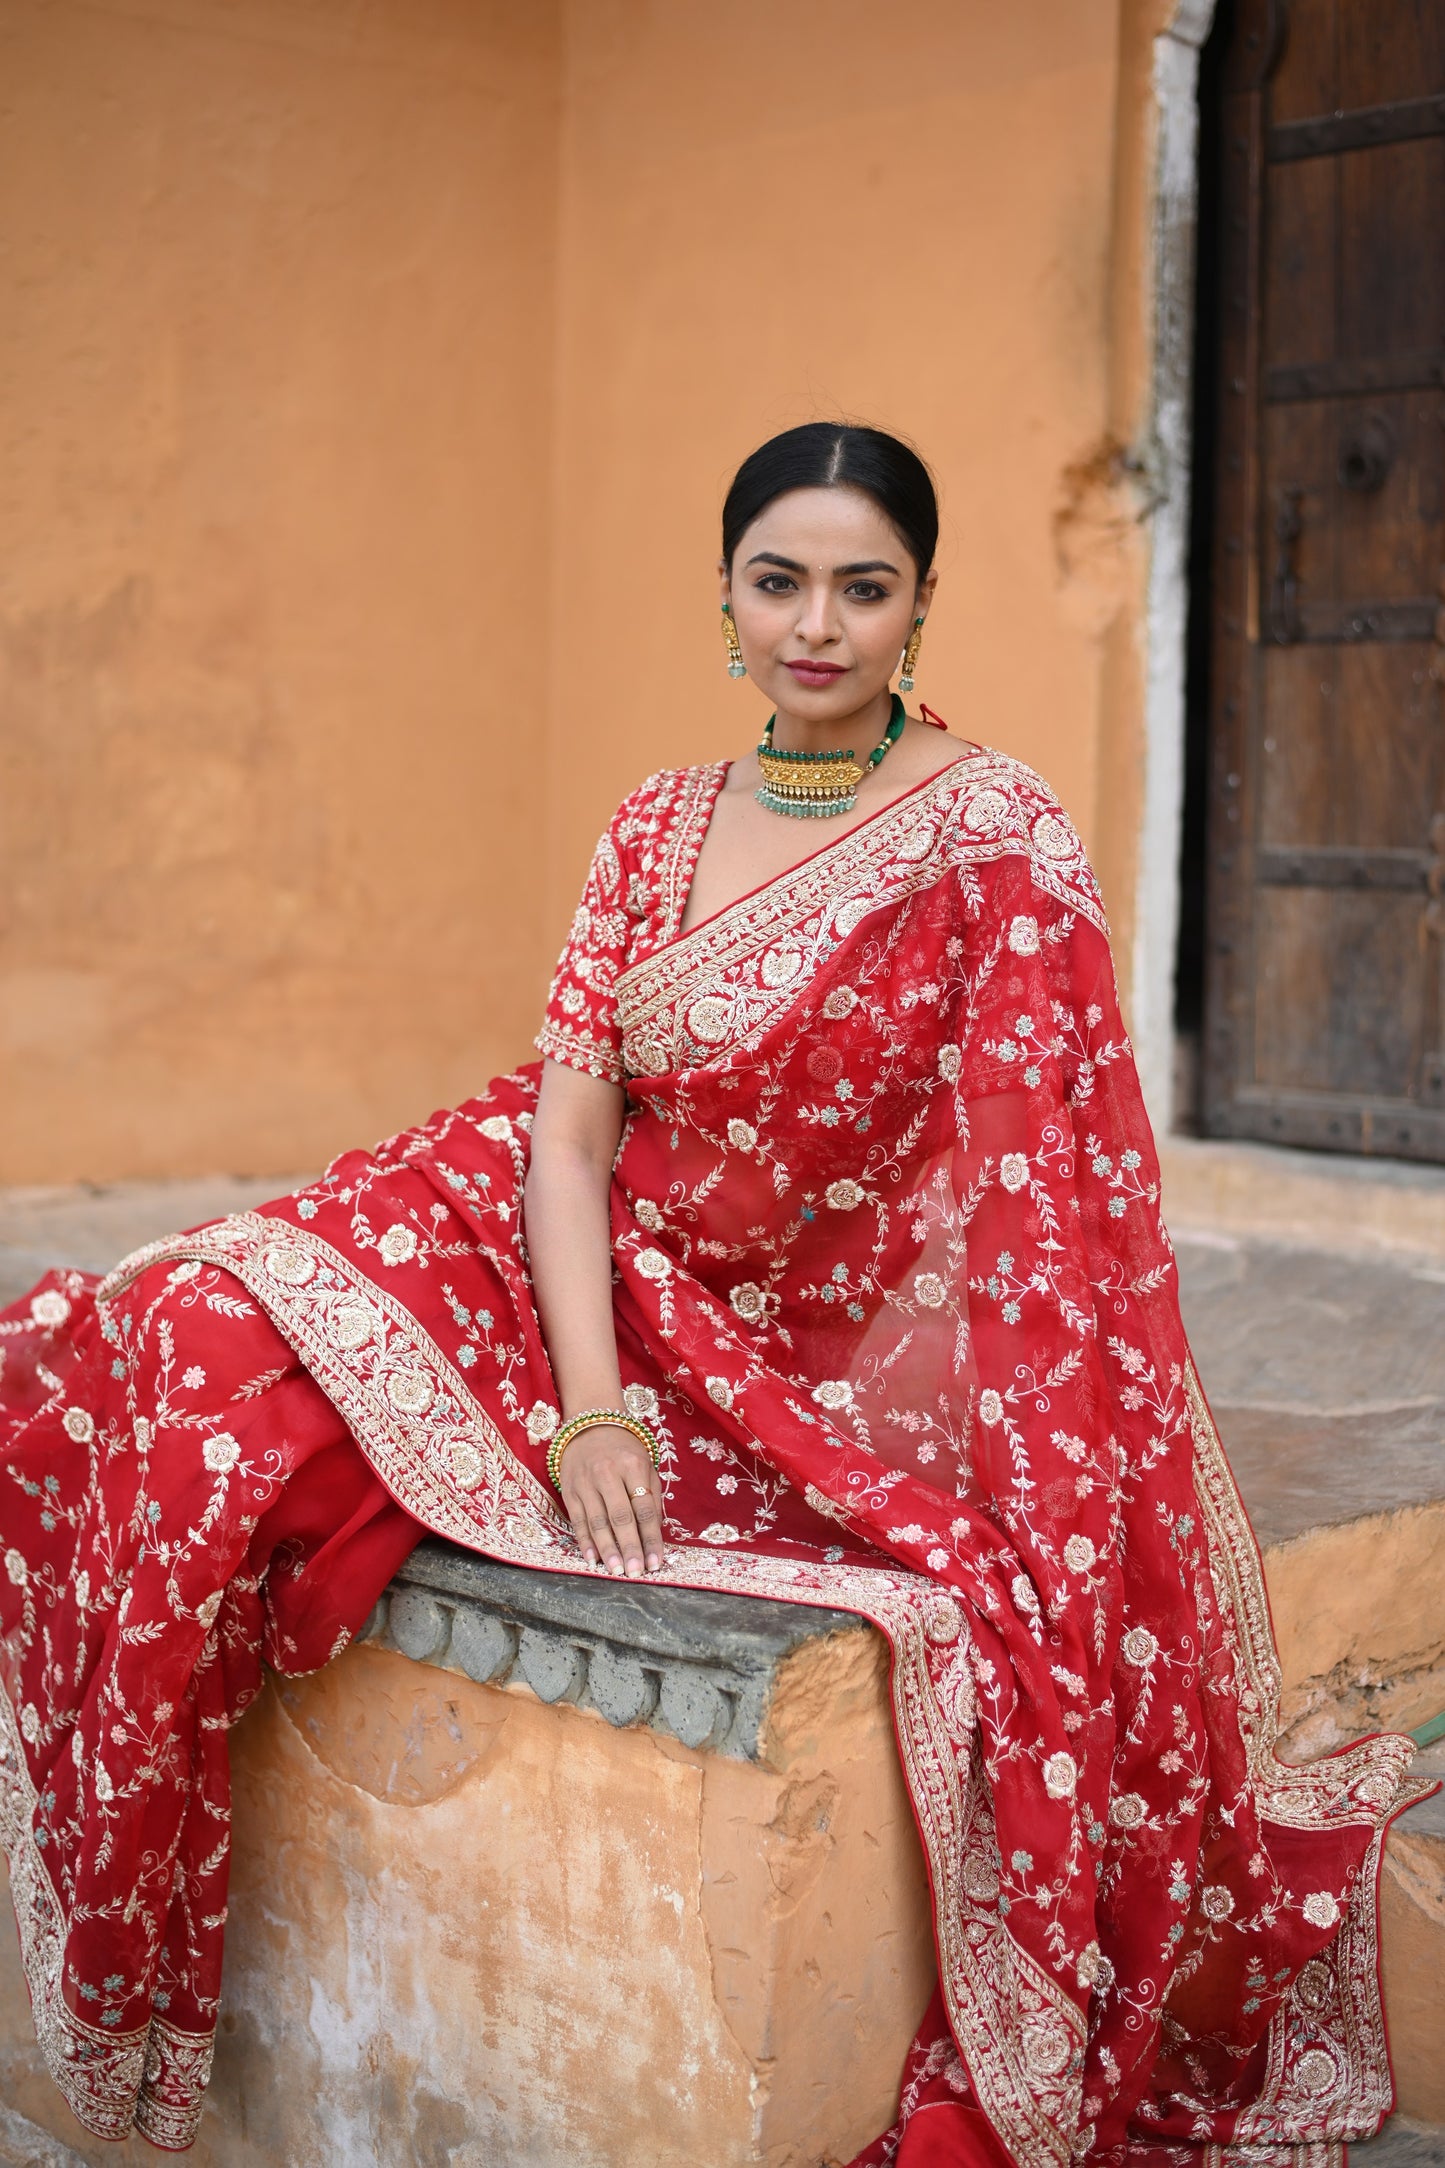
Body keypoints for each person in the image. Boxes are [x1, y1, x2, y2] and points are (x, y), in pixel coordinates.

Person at [0, 423, 1426, 2165]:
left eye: (862, 586)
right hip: (549, 1231)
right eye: (778, 581)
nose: (814, 623)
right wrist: (590, 1403)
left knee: (236, 1432)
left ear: (919, 604)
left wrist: (1018, 1471)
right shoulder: (656, 821)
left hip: (771, 1337)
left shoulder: (989, 836)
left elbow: (1042, 1205)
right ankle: (111, 1933)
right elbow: (568, 1130)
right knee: (167, 1347)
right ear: (726, 596)